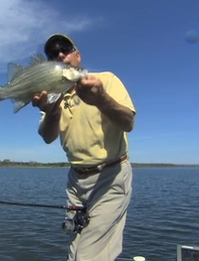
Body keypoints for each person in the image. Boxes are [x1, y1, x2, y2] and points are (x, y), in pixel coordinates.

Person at [32, 34, 137, 261]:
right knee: (75, 249)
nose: (60, 55)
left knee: (89, 256)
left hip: (110, 176)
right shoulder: (50, 93)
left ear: (77, 55)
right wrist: (52, 110)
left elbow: (128, 122)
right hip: (75, 181)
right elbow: (48, 136)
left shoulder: (105, 80)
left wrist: (101, 100)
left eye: (65, 49)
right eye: (52, 54)